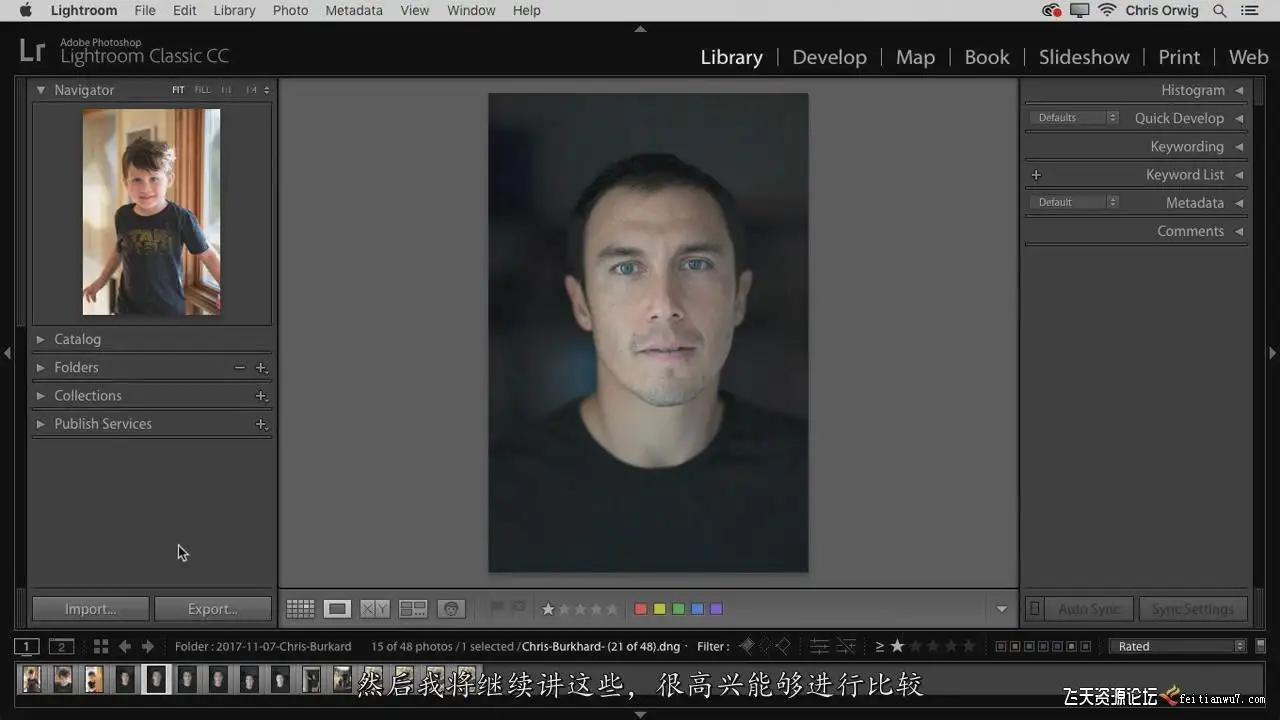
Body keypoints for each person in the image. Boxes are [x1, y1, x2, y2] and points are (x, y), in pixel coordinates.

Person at [489, 153, 808, 573]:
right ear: (581, 304)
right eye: (626, 267)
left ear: (739, 298)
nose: (664, 304)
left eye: (696, 264)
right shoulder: (493, 496)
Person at [82, 137, 221, 316]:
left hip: (168, 311)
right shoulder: (123, 216)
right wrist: (100, 282)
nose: (145, 188)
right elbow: (119, 251)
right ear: (126, 183)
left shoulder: (181, 218)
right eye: (137, 180)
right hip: (127, 310)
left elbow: (208, 255)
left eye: (154, 178)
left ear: (169, 179)